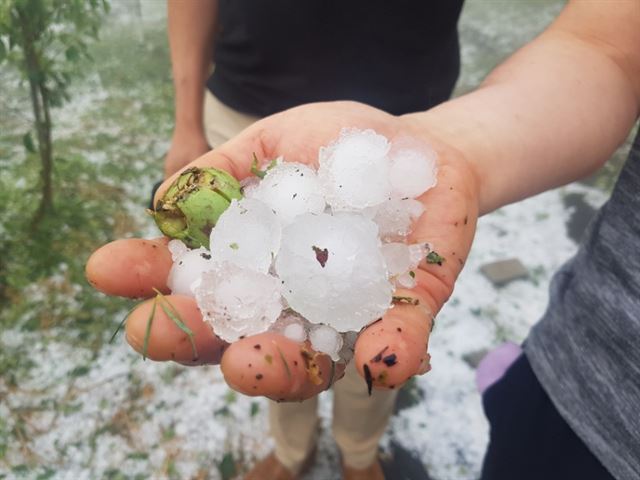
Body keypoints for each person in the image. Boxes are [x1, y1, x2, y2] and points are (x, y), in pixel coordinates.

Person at [85, 1, 640, 479]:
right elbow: (602, 47)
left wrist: (455, 146)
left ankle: (359, 451)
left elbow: (610, 51)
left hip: (408, 117)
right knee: (271, 339)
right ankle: (291, 448)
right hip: (245, 108)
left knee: (371, 340)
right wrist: (186, 117)